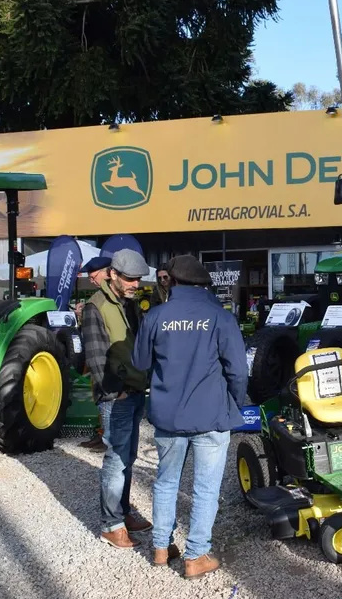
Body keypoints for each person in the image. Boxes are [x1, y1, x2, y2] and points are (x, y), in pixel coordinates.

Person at [132, 255, 248, 579]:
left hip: (168, 416)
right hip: (211, 415)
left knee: (166, 482)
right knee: (205, 489)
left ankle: (160, 547)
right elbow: (238, 370)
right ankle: (196, 556)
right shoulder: (220, 318)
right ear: (204, 283)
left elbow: (140, 362)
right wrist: (233, 403)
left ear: (174, 281)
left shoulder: (155, 316)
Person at [81, 248, 153, 548]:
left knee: (128, 457)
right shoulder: (95, 307)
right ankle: (111, 524)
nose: (135, 283)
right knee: (116, 459)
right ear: (112, 274)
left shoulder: (130, 303)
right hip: (118, 396)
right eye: (129, 278)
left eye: (137, 279)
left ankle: (122, 512)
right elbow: (97, 358)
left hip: (135, 390)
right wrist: (114, 392)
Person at [75, 255, 113, 451]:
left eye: (93, 276)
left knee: (105, 400)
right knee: (98, 398)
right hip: (99, 358)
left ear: (108, 273)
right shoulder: (97, 300)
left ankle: (106, 437)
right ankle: (101, 434)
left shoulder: (107, 300)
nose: (91, 280)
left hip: (107, 359)